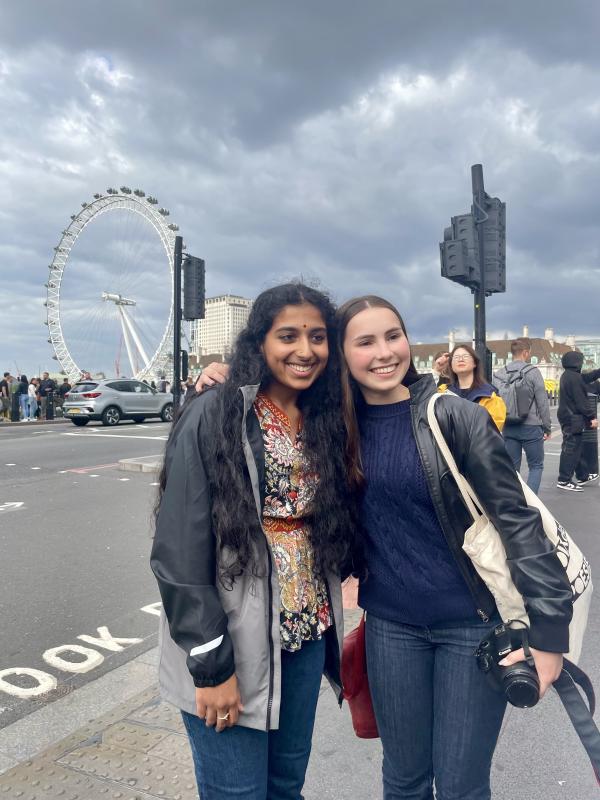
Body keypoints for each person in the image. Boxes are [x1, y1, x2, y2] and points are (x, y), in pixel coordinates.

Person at [336, 295, 571, 800]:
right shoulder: (337, 427)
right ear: (343, 355)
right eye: (365, 341)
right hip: (391, 629)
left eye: (392, 336)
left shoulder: (454, 417)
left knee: (462, 784)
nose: (384, 352)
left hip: (473, 627)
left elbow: (517, 521)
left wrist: (550, 634)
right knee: (404, 779)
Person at [151, 283, 356, 800]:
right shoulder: (217, 413)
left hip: (306, 631)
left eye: (317, 337)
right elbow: (178, 550)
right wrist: (211, 666)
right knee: (236, 793)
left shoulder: (328, 418)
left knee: (286, 786)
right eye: (287, 335)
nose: (304, 351)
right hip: (233, 638)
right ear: (259, 342)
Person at [494, 338, 552, 494]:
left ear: (512, 353)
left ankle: (515, 501)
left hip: (509, 426)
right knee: (536, 466)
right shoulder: (533, 372)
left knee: (512, 468)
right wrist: (547, 427)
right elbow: (542, 403)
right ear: (526, 353)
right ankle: (531, 504)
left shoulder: (499, 374)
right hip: (531, 426)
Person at [439, 343, 506, 431]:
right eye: (456, 357)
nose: (461, 359)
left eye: (465, 356)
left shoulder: (489, 395)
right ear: (451, 365)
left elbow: (492, 430)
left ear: (475, 363)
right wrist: (437, 369)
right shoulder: (443, 392)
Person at [557, 351, 599, 491]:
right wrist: (592, 417)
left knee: (576, 447)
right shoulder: (574, 378)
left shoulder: (568, 375)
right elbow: (581, 401)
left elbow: (585, 378)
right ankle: (564, 480)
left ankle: (583, 475)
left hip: (567, 416)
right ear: (577, 363)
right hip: (573, 418)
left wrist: (598, 372)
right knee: (571, 448)